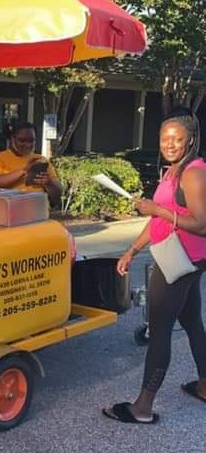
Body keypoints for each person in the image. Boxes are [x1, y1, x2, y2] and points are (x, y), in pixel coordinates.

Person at [103, 107, 206, 424]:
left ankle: (143, 407)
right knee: (192, 323)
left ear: (191, 138)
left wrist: (158, 211)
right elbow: (157, 218)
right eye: (165, 138)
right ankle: (204, 386)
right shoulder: (174, 170)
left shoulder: (194, 172)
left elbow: (201, 224)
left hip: (180, 260)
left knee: (159, 330)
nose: (170, 143)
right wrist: (132, 249)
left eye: (177, 138)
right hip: (180, 256)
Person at [0, 121, 63, 206]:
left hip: (37, 211)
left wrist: (49, 183)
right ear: (11, 138)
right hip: (9, 211)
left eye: (31, 140)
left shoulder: (40, 160)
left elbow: (58, 193)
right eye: (22, 140)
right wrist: (24, 170)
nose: (27, 144)